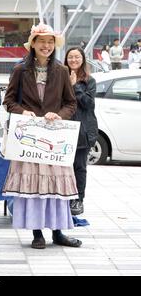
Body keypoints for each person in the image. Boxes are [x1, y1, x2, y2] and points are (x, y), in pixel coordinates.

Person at [2, 23, 81, 249]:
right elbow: (8, 101)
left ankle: (58, 232)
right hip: (29, 139)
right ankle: (37, 234)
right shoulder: (20, 70)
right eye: (42, 41)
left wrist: (58, 115)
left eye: (50, 42)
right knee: (34, 187)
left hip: (54, 139)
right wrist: (23, 112)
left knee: (56, 186)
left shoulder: (62, 71)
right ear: (33, 44)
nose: (46, 46)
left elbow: (71, 103)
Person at [64, 47, 98, 216]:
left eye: (77, 57)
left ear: (83, 59)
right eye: (70, 57)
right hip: (63, 129)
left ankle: (78, 199)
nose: (74, 60)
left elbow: (89, 104)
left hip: (82, 130)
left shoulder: (89, 81)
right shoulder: (60, 78)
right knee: (63, 166)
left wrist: (75, 85)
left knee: (79, 167)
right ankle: (64, 197)